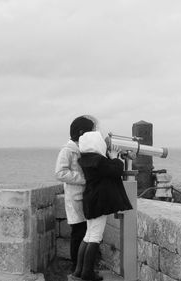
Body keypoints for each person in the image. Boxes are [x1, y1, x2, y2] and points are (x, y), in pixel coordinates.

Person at [72, 131, 133, 281]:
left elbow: (107, 170)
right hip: (100, 202)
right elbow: (116, 170)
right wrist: (115, 157)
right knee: (95, 237)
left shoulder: (86, 159)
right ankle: (87, 274)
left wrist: (111, 158)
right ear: (96, 144)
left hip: (90, 200)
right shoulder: (99, 161)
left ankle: (78, 272)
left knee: (88, 235)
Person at [55, 115, 96, 273]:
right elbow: (60, 173)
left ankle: (84, 269)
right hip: (75, 199)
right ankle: (76, 268)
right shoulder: (68, 150)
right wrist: (84, 178)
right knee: (79, 235)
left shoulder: (80, 148)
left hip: (84, 198)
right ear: (81, 132)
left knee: (86, 234)